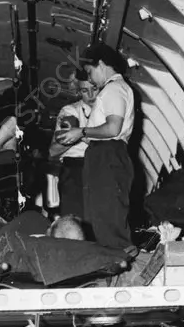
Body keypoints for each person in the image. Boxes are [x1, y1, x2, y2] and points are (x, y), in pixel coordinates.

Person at [55, 45, 135, 252]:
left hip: (107, 155)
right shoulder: (114, 89)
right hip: (102, 155)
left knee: (107, 218)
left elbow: (112, 128)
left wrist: (81, 132)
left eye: (90, 72)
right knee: (100, 217)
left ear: (100, 64)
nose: (91, 79)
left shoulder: (113, 89)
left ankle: (117, 260)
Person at [49, 73, 98, 218]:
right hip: (76, 168)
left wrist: (81, 133)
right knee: (75, 217)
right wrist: (77, 135)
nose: (90, 95)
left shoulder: (112, 114)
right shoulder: (70, 111)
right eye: (84, 90)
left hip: (101, 165)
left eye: (94, 88)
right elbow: (53, 151)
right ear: (78, 91)